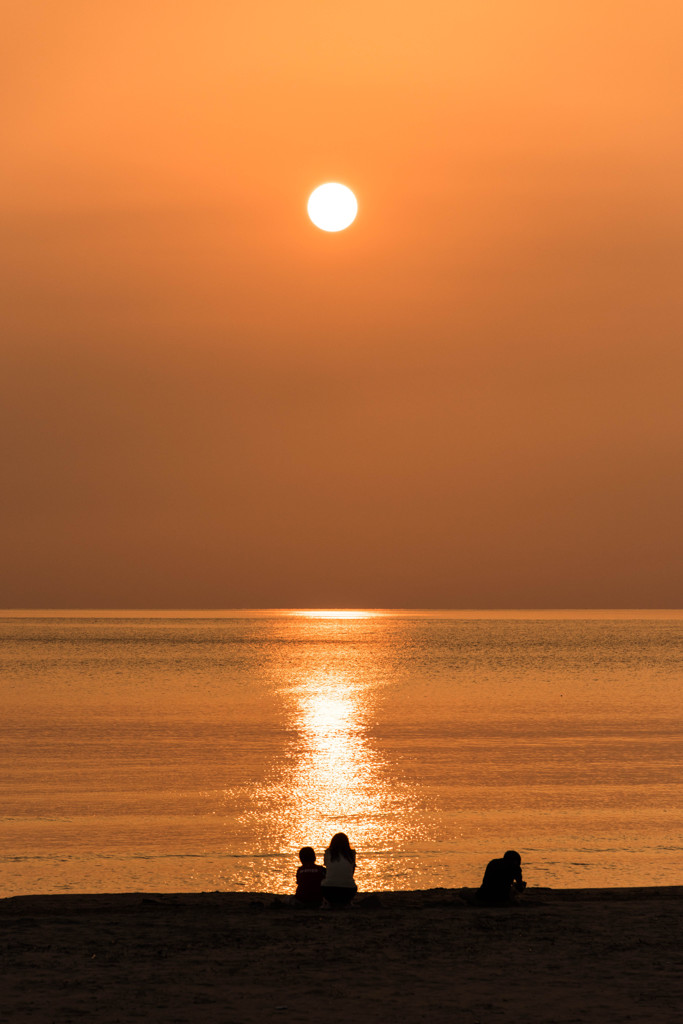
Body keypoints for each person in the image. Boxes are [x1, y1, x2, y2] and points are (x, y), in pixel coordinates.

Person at [321, 832, 357, 908]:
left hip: (329, 891)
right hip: (349, 891)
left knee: (323, 873)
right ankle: (348, 902)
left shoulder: (328, 853)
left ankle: (327, 903)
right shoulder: (351, 854)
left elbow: (327, 868)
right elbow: (352, 872)